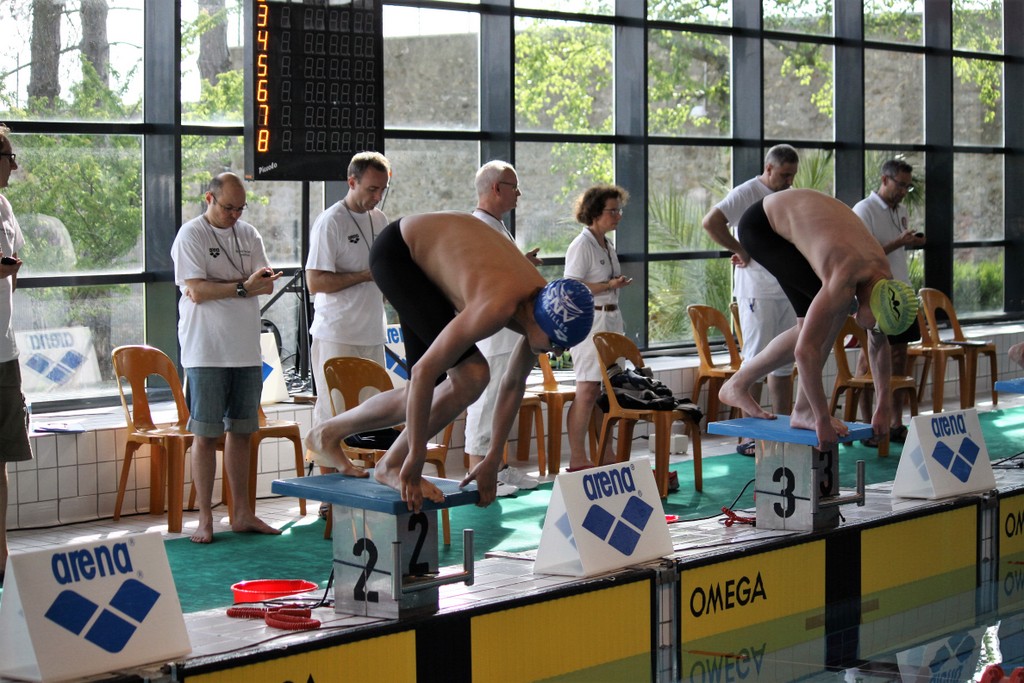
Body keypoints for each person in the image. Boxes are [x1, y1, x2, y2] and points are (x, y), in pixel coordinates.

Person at [305, 211, 595, 511]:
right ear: (540, 319)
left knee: (427, 391)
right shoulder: (497, 304)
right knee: (471, 376)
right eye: (556, 343)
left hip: (424, 254)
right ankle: (392, 464)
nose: (556, 353)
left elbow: (512, 384)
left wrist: (493, 457)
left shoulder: (543, 302)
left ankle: (327, 433)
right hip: (400, 255)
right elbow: (423, 372)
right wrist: (417, 456)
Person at [709, 189, 919, 454]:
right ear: (873, 303)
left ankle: (739, 384)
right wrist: (821, 418)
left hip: (791, 219)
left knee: (810, 326)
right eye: (875, 326)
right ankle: (803, 410)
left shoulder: (883, 279)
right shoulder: (845, 277)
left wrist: (883, 405)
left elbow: (878, 345)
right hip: (763, 226)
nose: (872, 331)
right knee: (831, 316)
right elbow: (804, 352)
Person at [171, 172, 283, 543]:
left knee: (242, 431)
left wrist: (241, 287)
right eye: (228, 208)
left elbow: (263, 284)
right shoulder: (191, 235)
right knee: (205, 434)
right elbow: (197, 290)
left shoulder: (249, 234)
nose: (234, 215)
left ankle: (242, 513)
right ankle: (204, 518)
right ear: (209, 199)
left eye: (240, 209)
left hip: (245, 348)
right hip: (206, 349)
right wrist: (240, 286)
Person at [702, 144, 800, 455]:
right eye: (784, 175)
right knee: (756, 360)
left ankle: (783, 431)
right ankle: (751, 436)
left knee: (784, 363)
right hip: (757, 290)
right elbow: (711, 222)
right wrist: (739, 249)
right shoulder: (746, 193)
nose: (788, 181)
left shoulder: (788, 195)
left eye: (792, 176)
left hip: (786, 287)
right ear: (769, 169)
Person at [305, 152, 391, 501]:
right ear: (351, 181)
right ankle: (328, 499)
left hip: (371, 331)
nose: (377, 197)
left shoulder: (380, 219)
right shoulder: (331, 222)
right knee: (332, 414)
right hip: (336, 332)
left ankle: (368, 492)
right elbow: (315, 281)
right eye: (371, 189)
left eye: (382, 190)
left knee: (374, 415)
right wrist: (364, 276)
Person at [464, 161, 542, 496]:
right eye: (514, 187)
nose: (519, 193)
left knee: (503, 399)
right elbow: (482, 278)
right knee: (487, 401)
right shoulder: (477, 227)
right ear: (496, 188)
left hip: (508, 327)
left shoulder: (495, 226)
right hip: (492, 330)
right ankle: (477, 470)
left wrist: (522, 264)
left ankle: (497, 465)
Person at [852, 159, 926, 446]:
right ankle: (866, 422)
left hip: (900, 293)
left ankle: (895, 422)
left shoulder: (901, 211)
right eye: (900, 185)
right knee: (868, 359)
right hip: (876, 293)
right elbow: (863, 254)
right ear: (885, 180)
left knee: (899, 357)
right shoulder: (864, 210)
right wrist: (898, 242)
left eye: (908, 186)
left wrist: (909, 241)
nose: (904, 191)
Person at [564, 184, 633, 472]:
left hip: (611, 320)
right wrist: (607, 285)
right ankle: (577, 457)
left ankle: (605, 453)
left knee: (605, 392)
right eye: (612, 211)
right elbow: (571, 286)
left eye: (619, 210)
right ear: (594, 212)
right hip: (591, 322)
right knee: (587, 389)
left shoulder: (606, 243)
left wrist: (612, 286)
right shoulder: (582, 245)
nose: (618, 216)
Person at [0, 126, 31, 583]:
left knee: (1, 456)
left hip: (3, 351)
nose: (14, 165)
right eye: (9, 156)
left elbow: (14, 268)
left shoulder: (4, 207)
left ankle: (0, 551)